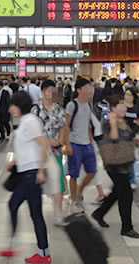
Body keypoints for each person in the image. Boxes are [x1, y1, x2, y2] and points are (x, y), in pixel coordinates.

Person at [0, 91, 51, 264]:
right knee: (13, 205)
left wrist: (41, 171)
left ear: (20, 106)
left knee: (36, 214)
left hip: (32, 175)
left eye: (13, 105)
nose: (10, 109)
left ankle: (44, 254)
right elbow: (30, 146)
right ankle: (11, 245)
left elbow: (43, 145)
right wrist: (15, 161)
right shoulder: (26, 121)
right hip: (25, 173)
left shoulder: (30, 121)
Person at [91, 95, 139, 239]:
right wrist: (113, 122)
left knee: (117, 192)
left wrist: (135, 138)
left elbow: (126, 136)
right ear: (114, 108)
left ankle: (99, 213)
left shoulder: (121, 121)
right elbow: (113, 140)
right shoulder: (108, 122)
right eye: (121, 106)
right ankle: (126, 227)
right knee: (126, 194)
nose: (125, 108)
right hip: (115, 164)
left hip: (124, 162)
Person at [32, 79, 67, 226]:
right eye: (48, 91)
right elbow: (32, 132)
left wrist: (61, 141)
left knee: (58, 181)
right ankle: (35, 213)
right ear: (42, 92)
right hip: (39, 152)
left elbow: (62, 126)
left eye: (53, 91)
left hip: (55, 152)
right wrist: (46, 142)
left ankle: (58, 214)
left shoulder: (58, 109)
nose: (51, 94)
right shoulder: (35, 110)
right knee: (36, 185)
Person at [65, 78, 97, 213]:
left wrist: (91, 140)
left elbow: (88, 124)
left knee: (92, 171)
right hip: (75, 143)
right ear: (79, 90)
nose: (89, 90)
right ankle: (73, 201)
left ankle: (80, 190)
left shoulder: (88, 104)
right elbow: (65, 126)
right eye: (86, 88)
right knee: (74, 174)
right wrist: (67, 145)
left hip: (87, 144)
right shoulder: (72, 105)